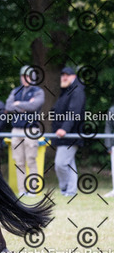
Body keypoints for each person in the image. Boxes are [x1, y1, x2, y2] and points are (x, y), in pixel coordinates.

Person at [5, 66, 45, 197]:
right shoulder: (15, 90)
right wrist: (25, 106)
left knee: (31, 160)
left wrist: (18, 104)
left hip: (31, 129)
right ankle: (22, 190)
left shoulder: (38, 91)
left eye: (27, 76)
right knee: (19, 161)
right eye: (23, 76)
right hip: (16, 129)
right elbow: (8, 106)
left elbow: (34, 106)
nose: (24, 79)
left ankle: (33, 189)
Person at [51, 67, 86, 197]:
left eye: (67, 75)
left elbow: (74, 112)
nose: (64, 77)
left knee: (60, 164)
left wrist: (64, 129)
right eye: (62, 75)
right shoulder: (67, 91)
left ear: (74, 76)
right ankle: (70, 191)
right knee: (69, 164)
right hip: (65, 136)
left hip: (70, 135)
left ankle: (66, 188)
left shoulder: (77, 91)